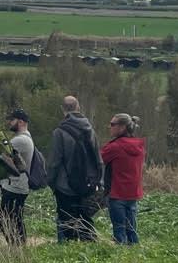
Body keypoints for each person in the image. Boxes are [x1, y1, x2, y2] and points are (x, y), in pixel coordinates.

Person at [48, 96, 102, 242]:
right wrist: (98, 181)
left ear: (62, 109)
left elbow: (54, 162)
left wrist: (52, 183)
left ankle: (69, 250)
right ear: (78, 107)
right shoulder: (90, 130)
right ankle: (90, 249)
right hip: (88, 184)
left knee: (67, 221)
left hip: (65, 185)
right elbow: (98, 157)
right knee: (85, 220)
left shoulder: (59, 132)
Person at [101, 113, 146, 244]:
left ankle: (121, 259)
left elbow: (99, 159)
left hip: (117, 193)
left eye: (112, 124)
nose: (110, 127)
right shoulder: (139, 146)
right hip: (133, 193)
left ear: (122, 127)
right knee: (131, 229)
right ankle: (135, 256)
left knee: (119, 230)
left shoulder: (115, 147)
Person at [0, 108, 35, 246]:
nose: (9, 123)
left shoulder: (20, 140)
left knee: (6, 219)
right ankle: (18, 246)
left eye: (12, 120)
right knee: (15, 218)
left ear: (20, 121)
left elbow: (1, 155)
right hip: (18, 185)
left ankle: (16, 246)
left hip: (15, 186)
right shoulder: (26, 137)